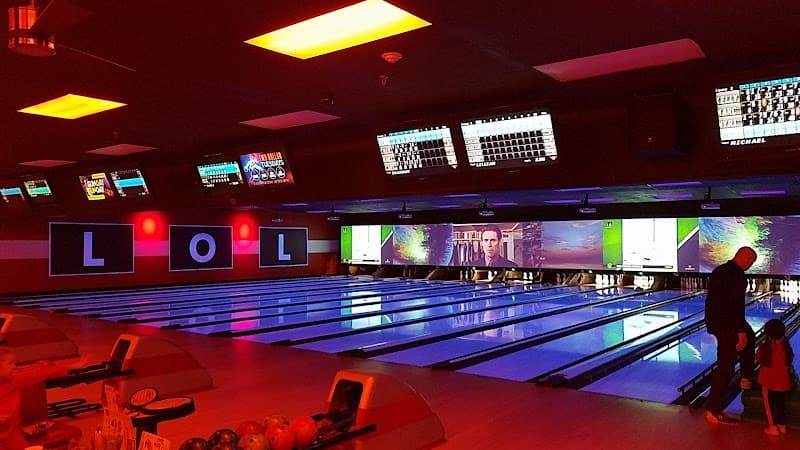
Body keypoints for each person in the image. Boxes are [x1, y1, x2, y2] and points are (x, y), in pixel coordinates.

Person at [704, 246, 758, 424]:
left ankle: (745, 377)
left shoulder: (720, 270)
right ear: (745, 259)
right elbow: (736, 306)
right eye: (751, 262)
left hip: (717, 322)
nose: (750, 265)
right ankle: (713, 409)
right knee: (726, 368)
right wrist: (740, 331)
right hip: (728, 326)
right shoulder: (738, 276)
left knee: (750, 337)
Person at [0, 348, 74, 450]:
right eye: (10, 363)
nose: (14, 366)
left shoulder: (15, 381)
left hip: (13, 435)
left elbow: (41, 373)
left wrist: (69, 367)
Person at [756, 318, 794, 436]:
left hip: (768, 382)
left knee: (769, 405)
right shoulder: (785, 345)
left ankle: (772, 427)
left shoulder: (765, 347)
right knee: (780, 404)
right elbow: (790, 359)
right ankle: (782, 426)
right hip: (783, 381)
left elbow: (758, 358)